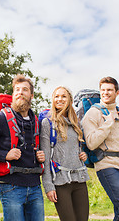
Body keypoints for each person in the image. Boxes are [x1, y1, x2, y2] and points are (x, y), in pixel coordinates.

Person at [0, 74, 46, 221]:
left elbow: (35, 147)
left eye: (25, 89)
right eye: (17, 90)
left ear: (31, 95)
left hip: (35, 186)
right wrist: (5, 155)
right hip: (11, 187)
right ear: (13, 94)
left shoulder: (36, 121)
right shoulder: (0, 119)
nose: (20, 92)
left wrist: (40, 156)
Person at [81, 77, 119, 221]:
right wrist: (108, 124)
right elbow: (91, 143)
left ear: (117, 92)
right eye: (103, 90)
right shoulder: (93, 113)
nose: (105, 93)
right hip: (106, 165)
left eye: (109, 90)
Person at [41, 86, 90, 221]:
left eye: (63, 96)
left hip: (79, 178)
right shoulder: (48, 123)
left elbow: (76, 148)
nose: (60, 99)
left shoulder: (76, 123)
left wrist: (82, 155)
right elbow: (45, 157)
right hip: (60, 182)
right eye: (56, 96)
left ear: (69, 99)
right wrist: (48, 186)